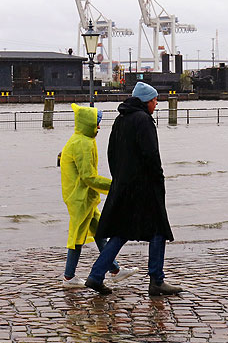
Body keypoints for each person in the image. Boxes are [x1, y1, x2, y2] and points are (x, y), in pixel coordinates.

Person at [85, 82, 182, 296]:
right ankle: (156, 280)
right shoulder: (144, 120)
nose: (156, 104)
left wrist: (119, 177)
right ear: (147, 101)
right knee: (158, 230)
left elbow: (112, 153)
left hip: (124, 185)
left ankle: (96, 275)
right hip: (145, 186)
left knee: (121, 231)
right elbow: (151, 155)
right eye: (155, 100)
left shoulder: (120, 120)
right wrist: (158, 179)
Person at [59, 104, 138, 288]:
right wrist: (115, 186)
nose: (99, 127)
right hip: (79, 199)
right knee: (77, 237)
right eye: (97, 123)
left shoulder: (81, 139)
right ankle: (69, 278)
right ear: (88, 124)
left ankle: (115, 271)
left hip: (83, 198)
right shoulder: (82, 143)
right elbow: (88, 177)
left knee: (100, 232)